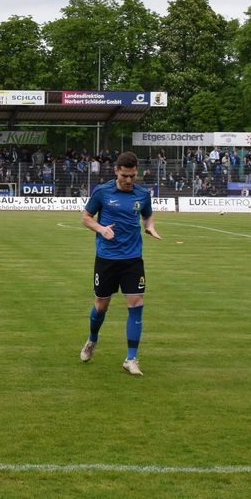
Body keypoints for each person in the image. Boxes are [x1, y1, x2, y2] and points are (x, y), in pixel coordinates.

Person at [80, 152, 161, 376]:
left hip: (132, 258)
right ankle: (92, 339)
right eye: (125, 175)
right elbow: (86, 217)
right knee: (101, 306)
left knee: (136, 304)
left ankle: (131, 358)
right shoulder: (102, 192)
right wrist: (101, 229)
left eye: (133, 176)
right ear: (116, 170)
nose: (128, 180)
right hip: (106, 258)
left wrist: (150, 226)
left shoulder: (143, 194)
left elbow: (147, 216)